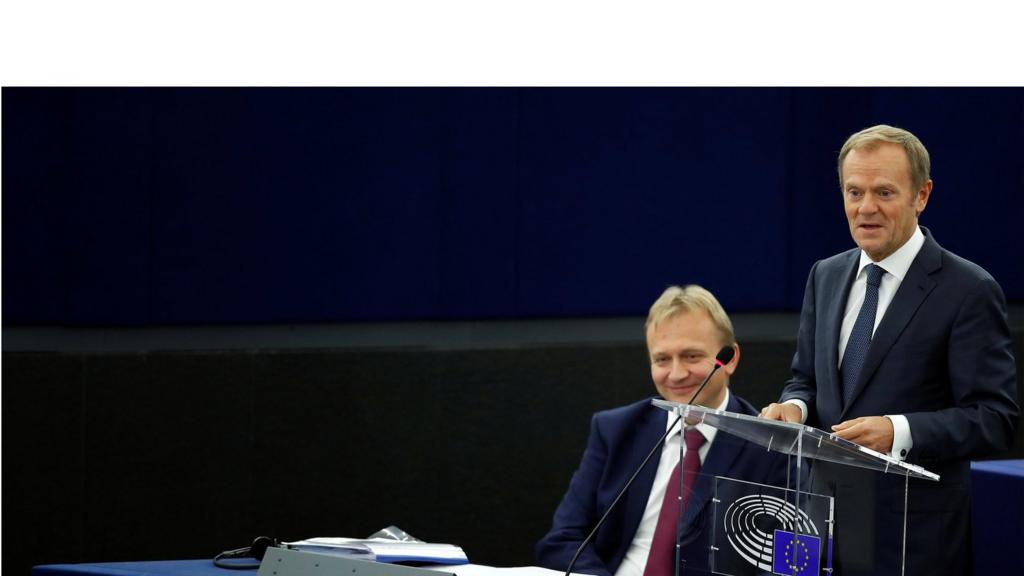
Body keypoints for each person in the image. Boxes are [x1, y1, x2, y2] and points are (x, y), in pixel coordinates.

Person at [761, 124, 1019, 575]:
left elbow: (994, 419)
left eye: (884, 192)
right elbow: (805, 378)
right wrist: (795, 408)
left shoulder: (969, 289)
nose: (866, 209)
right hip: (818, 524)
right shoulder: (825, 275)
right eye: (854, 192)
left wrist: (898, 431)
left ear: (922, 195)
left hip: (911, 540)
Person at [536, 285, 789, 576]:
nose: (677, 374)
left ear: (730, 359)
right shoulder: (615, 430)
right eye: (662, 360)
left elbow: (782, 565)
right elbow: (562, 540)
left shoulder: (770, 448)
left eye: (692, 356)